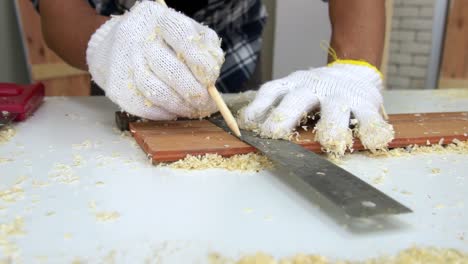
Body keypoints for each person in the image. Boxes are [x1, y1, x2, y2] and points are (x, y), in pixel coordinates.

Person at [33, 0, 393, 156]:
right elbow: (59, 11)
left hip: (234, 41)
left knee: (248, 122)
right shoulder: (119, 50)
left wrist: (354, 65)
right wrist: (103, 46)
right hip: (127, 50)